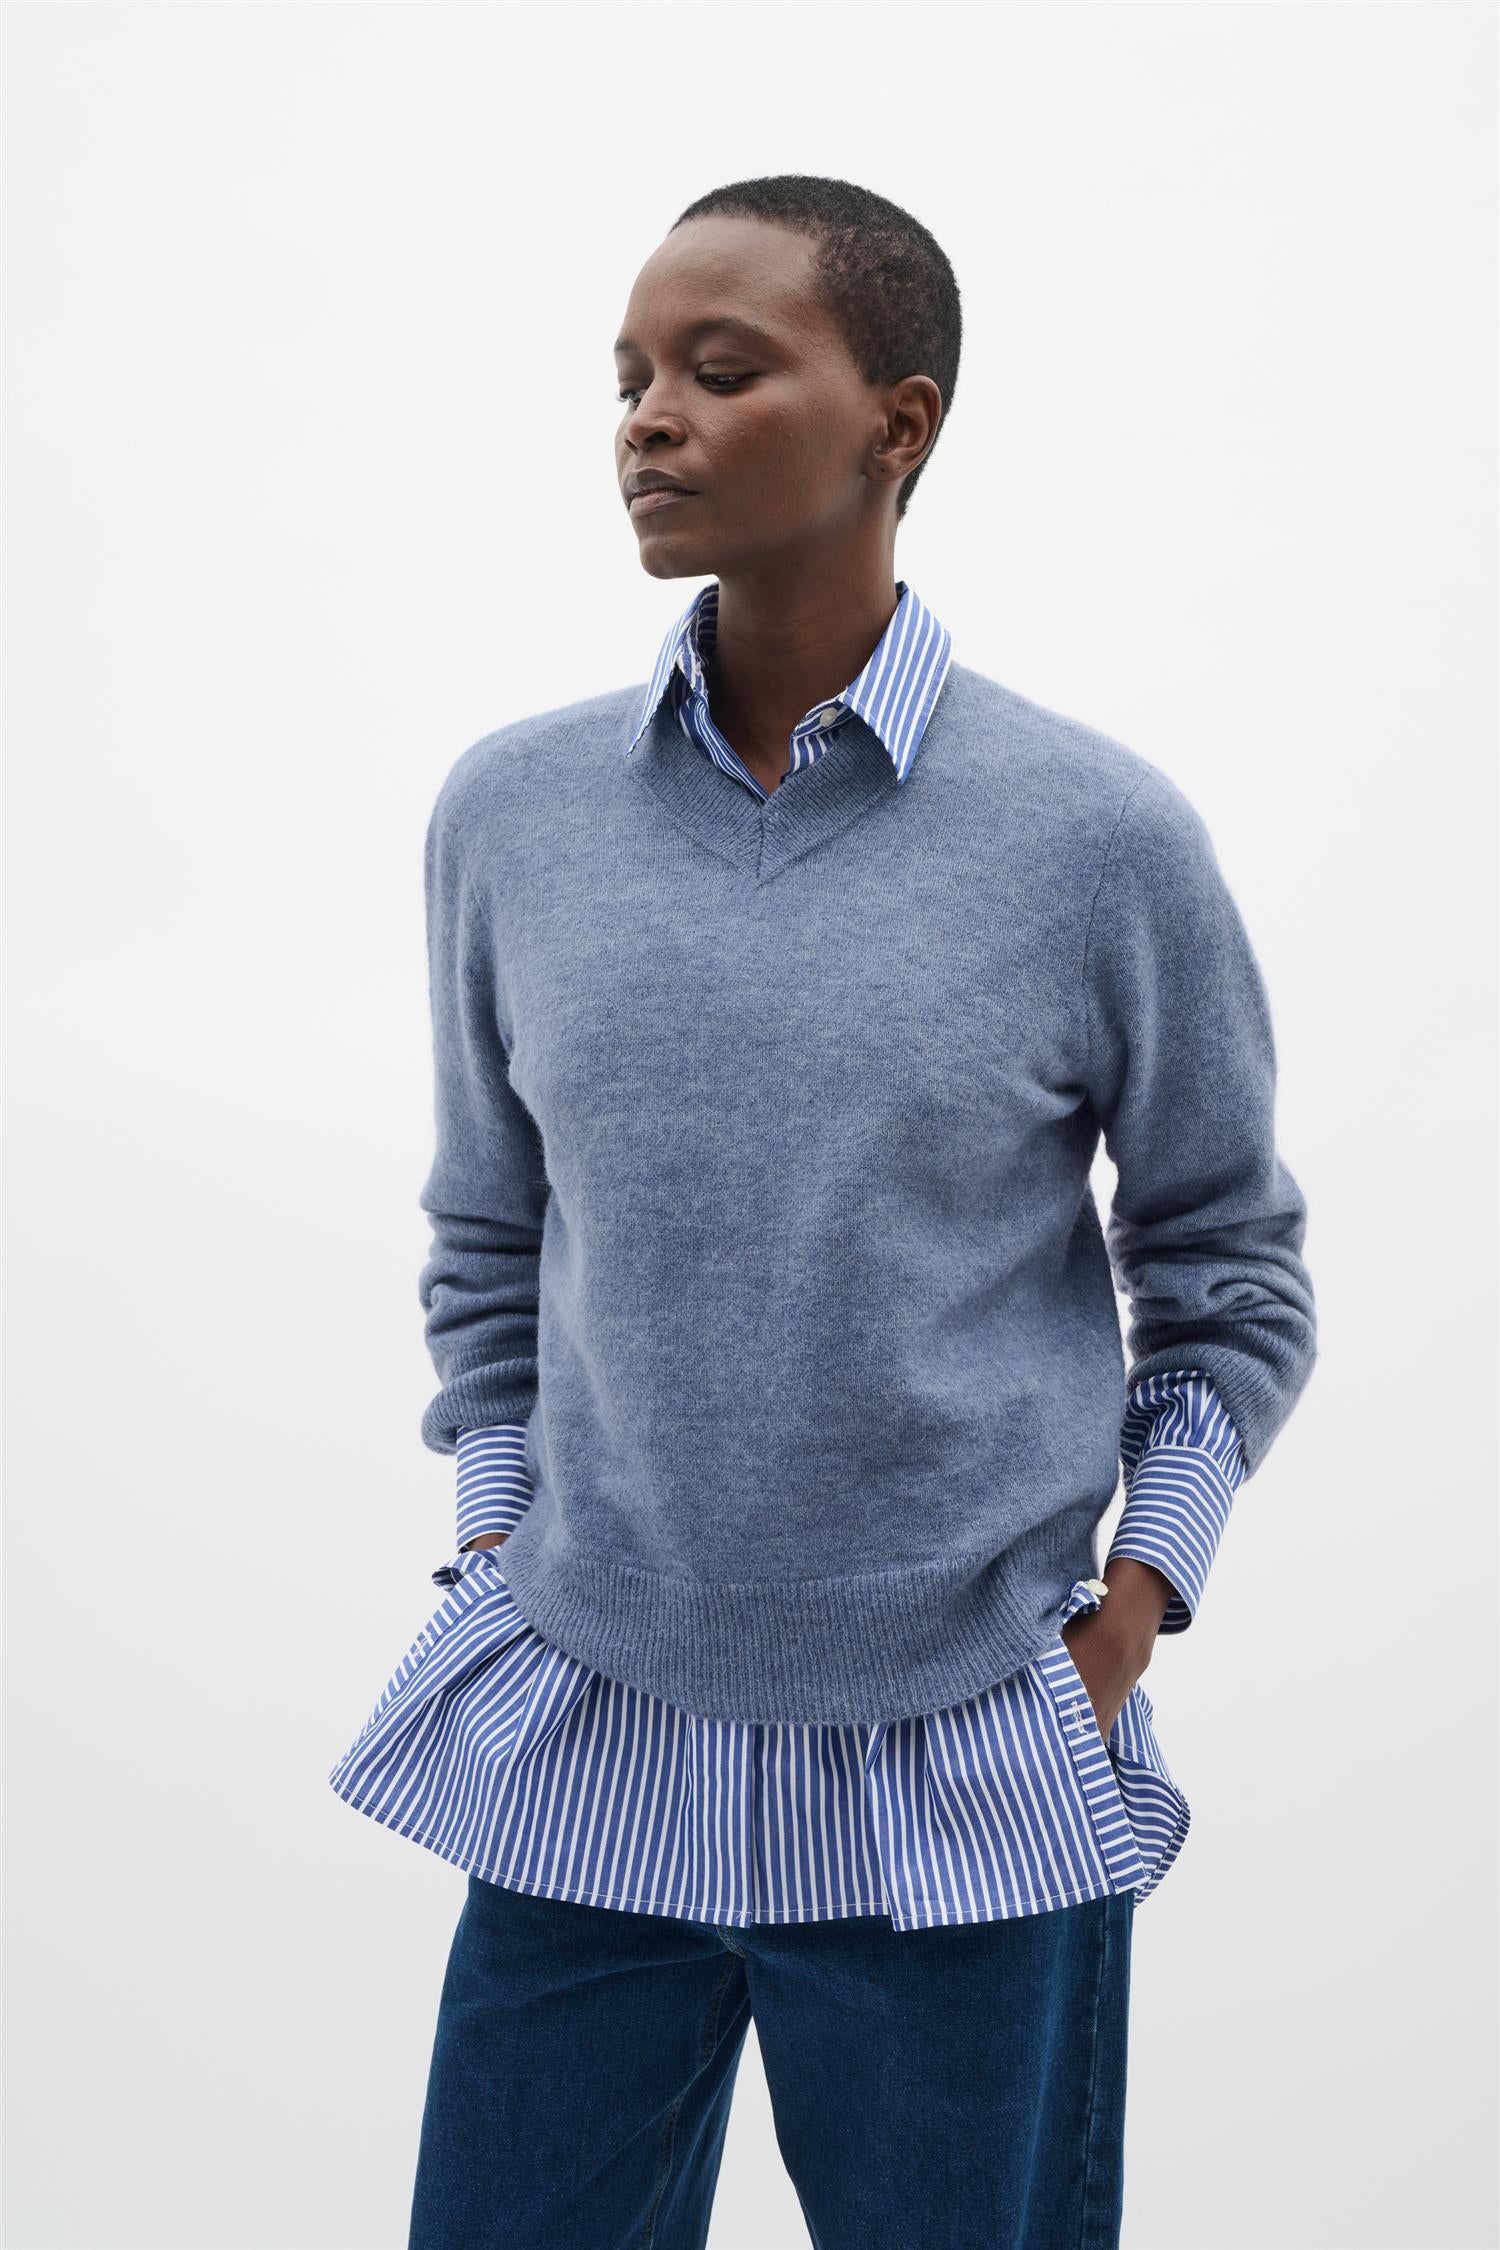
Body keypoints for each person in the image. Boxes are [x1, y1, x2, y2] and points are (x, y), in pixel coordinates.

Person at [328, 173, 1317, 2250]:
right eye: (628, 375)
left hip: (963, 1767)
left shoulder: (1099, 841)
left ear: (899, 422)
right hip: (592, 1735)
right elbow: (487, 1236)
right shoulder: (512, 814)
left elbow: (1229, 1270)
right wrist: (500, 1539)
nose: (648, 417)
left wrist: (1133, 1614)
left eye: (720, 368)